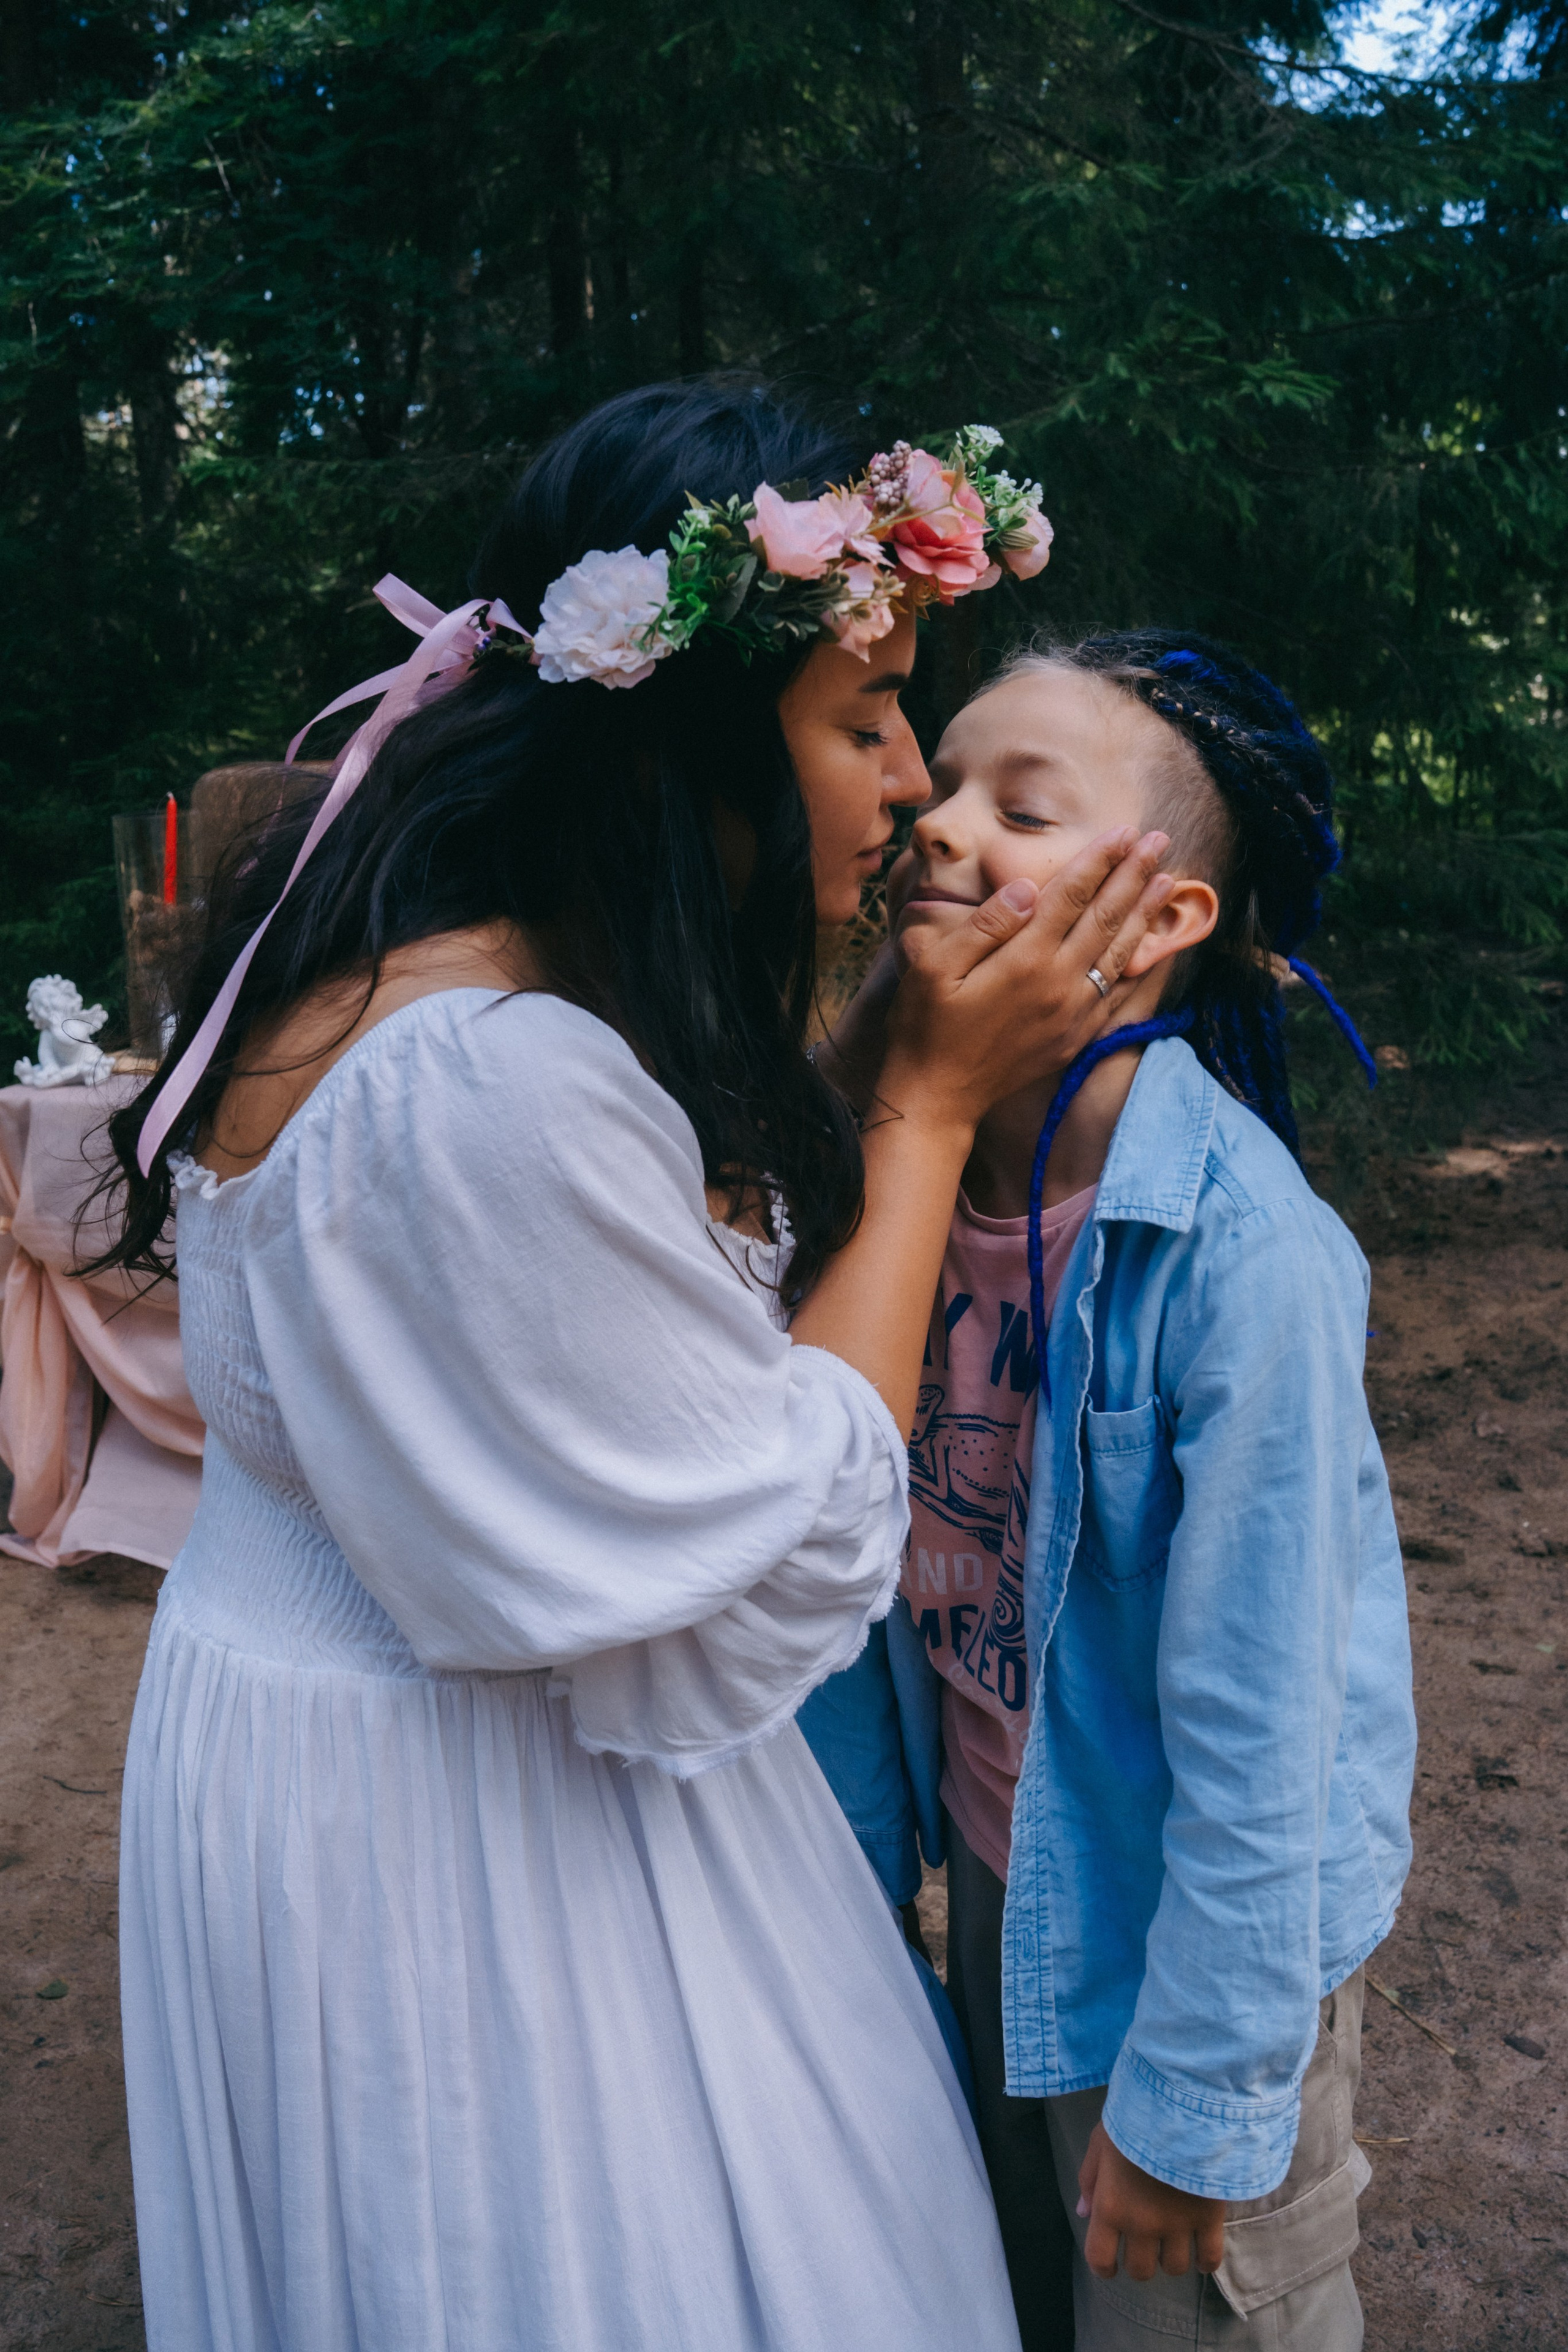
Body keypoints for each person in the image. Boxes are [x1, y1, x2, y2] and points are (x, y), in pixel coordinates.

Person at [89, 381, 1172, 2352]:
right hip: (464, 1828)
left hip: (329, 1732)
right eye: (859, 724)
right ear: (684, 750)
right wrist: (930, 1113)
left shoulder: (435, 966)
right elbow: (751, 1567)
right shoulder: (489, 1085)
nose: (913, 782)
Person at [805, 631, 1416, 2351]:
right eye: (941, 783)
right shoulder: (904, 1196)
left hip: (1197, 1927)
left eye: (1022, 805)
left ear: (1158, 926)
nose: (936, 818)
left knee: (1182, 2315)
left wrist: (1201, 2106)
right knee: (1021, 2291)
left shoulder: (1242, 1258)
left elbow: (1265, 1739)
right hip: (1012, 1871)